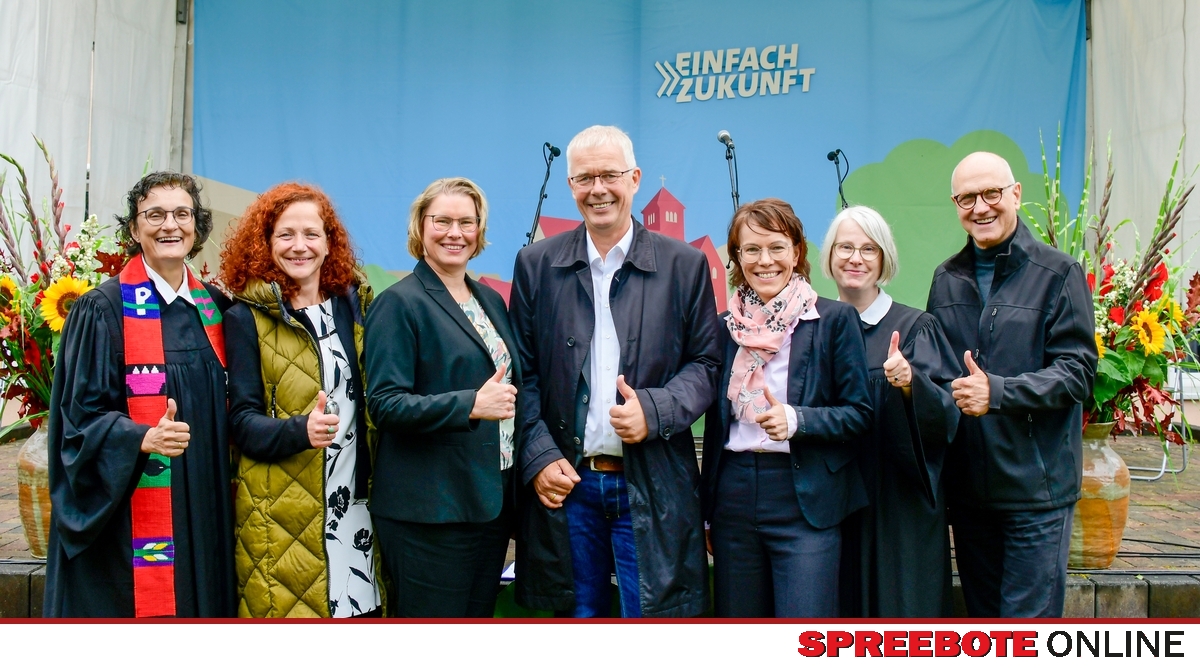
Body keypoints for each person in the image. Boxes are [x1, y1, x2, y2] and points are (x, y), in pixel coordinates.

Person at [510, 125, 721, 618]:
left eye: (609, 175)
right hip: (567, 485)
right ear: (570, 186)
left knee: (652, 630)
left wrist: (655, 410)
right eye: (584, 178)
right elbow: (522, 373)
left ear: (635, 179)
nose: (598, 189)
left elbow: (707, 364)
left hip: (653, 483)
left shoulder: (684, 264)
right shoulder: (536, 264)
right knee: (577, 626)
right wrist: (539, 456)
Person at [44, 172, 234, 617]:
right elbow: (77, 419)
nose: (170, 225)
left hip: (204, 502)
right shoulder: (102, 310)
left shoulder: (216, 309)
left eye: (182, 214)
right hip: (131, 514)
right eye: (155, 215)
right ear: (133, 228)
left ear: (196, 226)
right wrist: (140, 438)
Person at [927, 152, 1096, 617]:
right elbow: (939, 372)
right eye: (967, 198)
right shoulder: (945, 279)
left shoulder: (1059, 273)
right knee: (986, 631)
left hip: (1036, 492)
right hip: (970, 492)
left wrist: (998, 392)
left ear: (1016, 194)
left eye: (991, 193)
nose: (980, 207)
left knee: (1026, 635)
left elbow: (1078, 371)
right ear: (955, 205)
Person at [700, 198, 872, 618]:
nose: (765, 260)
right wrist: (707, 514)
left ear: (796, 253)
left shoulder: (833, 320)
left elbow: (860, 413)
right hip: (734, 496)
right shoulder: (723, 327)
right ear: (737, 257)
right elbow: (715, 423)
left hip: (804, 498)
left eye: (776, 247)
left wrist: (797, 420)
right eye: (752, 249)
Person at [220, 183, 380, 618]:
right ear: (265, 243)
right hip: (284, 517)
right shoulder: (245, 317)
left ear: (329, 242)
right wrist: (299, 430)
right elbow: (241, 422)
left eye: (311, 234)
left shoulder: (353, 306)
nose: (299, 246)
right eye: (285, 235)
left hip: (357, 510)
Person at [366, 177, 519, 618]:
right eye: (442, 221)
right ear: (421, 226)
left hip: (487, 504)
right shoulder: (398, 303)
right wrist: (471, 405)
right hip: (430, 513)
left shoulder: (488, 299)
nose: (455, 233)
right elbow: (385, 404)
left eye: (466, 222)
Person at [820, 205, 961, 617]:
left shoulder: (915, 328)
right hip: (836, 504)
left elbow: (947, 416)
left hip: (899, 510)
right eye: (845, 247)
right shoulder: (815, 326)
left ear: (884, 259)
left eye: (869, 249)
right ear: (830, 255)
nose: (856, 258)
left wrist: (910, 383)